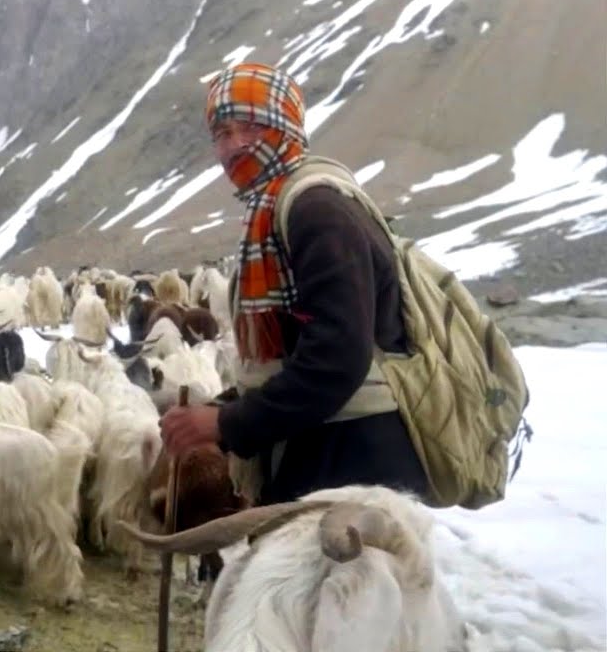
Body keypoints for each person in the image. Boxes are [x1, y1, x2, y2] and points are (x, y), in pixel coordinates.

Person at [159, 62, 430, 506]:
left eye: (250, 127)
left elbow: (337, 358)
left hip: (354, 464)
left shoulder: (315, 209)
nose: (233, 147)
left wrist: (225, 425)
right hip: (327, 448)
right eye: (222, 134)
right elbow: (294, 352)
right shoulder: (277, 207)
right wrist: (223, 411)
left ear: (284, 125)